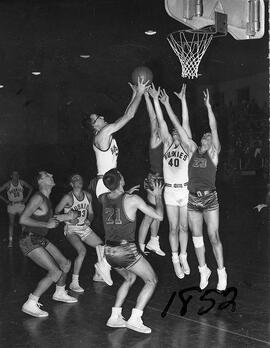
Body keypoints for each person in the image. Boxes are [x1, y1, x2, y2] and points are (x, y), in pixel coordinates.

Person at [163, 87, 227, 291]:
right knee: (196, 237)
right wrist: (166, 105)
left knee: (213, 236)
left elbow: (214, 128)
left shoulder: (214, 154)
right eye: (205, 136)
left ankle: (221, 271)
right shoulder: (191, 149)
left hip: (210, 199)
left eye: (209, 136)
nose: (207, 136)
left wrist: (208, 106)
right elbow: (179, 127)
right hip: (192, 199)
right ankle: (203, 270)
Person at [100, 168, 163, 334]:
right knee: (151, 280)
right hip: (125, 250)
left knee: (129, 278)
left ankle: (114, 316)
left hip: (109, 252)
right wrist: (157, 195)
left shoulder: (103, 198)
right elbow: (159, 216)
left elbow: (116, 200)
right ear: (120, 180)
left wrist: (124, 192)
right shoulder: (133, 199)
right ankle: (135, 318)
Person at [19, 171, 78, 318]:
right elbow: (23, 219)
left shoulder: (46, 198)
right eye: (47, 174)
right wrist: (46, 223)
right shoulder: (38, 197)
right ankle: (31, 303)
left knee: (65, 264)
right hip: (28, 239)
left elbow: (51, 219)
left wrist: (68, 216)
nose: (51, 174)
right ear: (41, 181)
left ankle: (60, 292)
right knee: (55, 272)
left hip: (38, 238)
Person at [148, 84, 190, 279]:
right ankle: (175, 260)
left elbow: (185, 121)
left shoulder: (188, 147)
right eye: (172, 133)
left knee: (184, 227)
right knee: (173, 227)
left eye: (177, 133)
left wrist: (183, 102)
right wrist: (157, 100)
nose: (174, 134)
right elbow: (162, 122)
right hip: (171, 191)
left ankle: (183, 256)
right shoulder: (166, 146)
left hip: (185, 191)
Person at [84, 77, 149, 199]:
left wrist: (134, 94)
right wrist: (140, 93)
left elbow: (125, 116)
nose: (102, 117)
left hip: (111, 181)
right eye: (98, 117)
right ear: (94, 126)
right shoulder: (102, 135)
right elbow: (130, 115)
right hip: (106, 182)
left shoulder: (105, 133)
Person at [55, 174, 106, 292]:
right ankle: (74, 282)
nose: (79, 180)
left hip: (84, 228)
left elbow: (91, 212)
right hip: (71, 229)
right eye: (75, 179)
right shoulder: (67, 197)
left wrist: (90, 220)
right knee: (82, 251)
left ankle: (98, 275)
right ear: (71, 184)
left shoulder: (88, 195)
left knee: (102, 247)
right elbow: (56, 212)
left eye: (80, 178)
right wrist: (67, 218)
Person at [138, 90, 165, 256]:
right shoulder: (155, 138)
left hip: (160, 180)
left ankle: (153, 241)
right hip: (153, 178)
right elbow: (153, 117)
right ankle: (140, 247)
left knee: (157, 213)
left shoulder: (167, 141)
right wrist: (147, 97)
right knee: (150, 215)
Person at [0, 171, 33, 247]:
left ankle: (25, 241)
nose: (16, 176)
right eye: (14, 174)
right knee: (11, 223)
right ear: (11, 176)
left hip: (21, 204)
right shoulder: (8, 184)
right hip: (12, 205)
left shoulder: (21, 182)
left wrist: (26, 198)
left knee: (23, 223)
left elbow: (31, 188)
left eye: (17, 174)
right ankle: (10, 241)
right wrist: (6, 201)